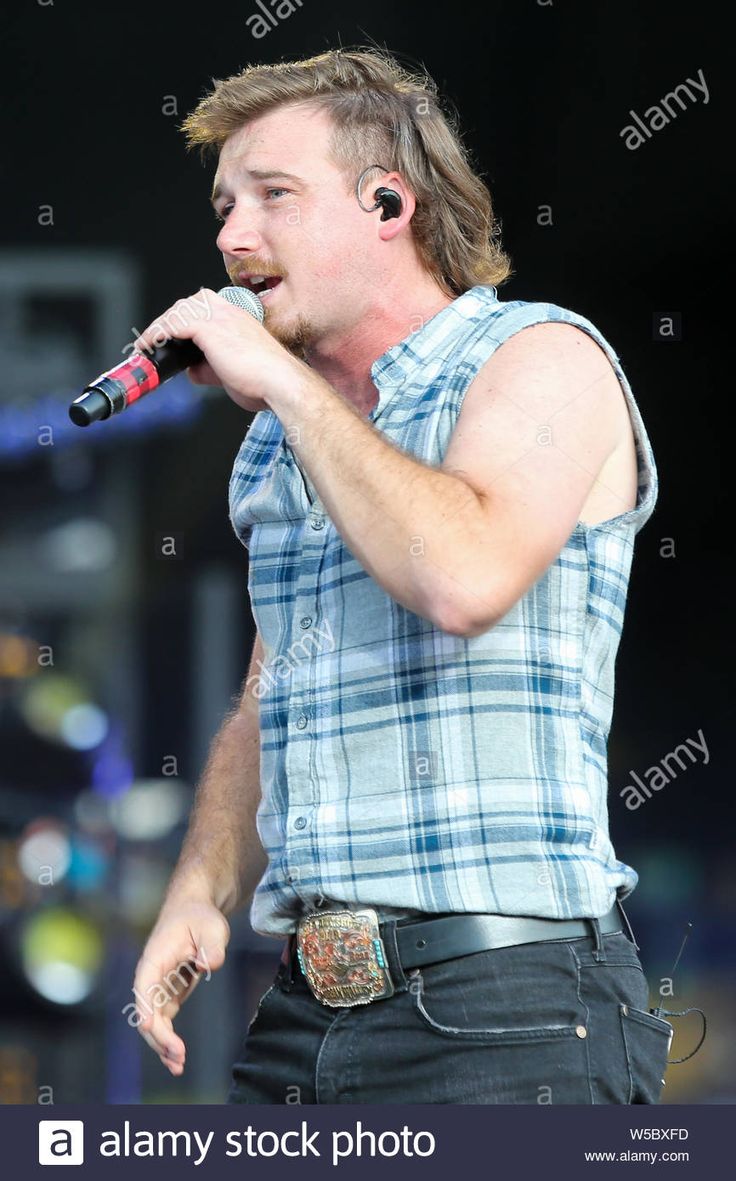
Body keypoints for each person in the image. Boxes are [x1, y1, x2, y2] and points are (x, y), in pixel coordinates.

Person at [132, 47, 673, 1104]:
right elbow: (271, 687)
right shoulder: (286, 439)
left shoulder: (538, 359)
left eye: (273, 197)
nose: (232, 238)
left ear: (389, 202)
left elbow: (461, 575)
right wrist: (201, 883)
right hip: (304, 1013)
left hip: (507, 1009)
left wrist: (283, 385)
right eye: (223, 206)